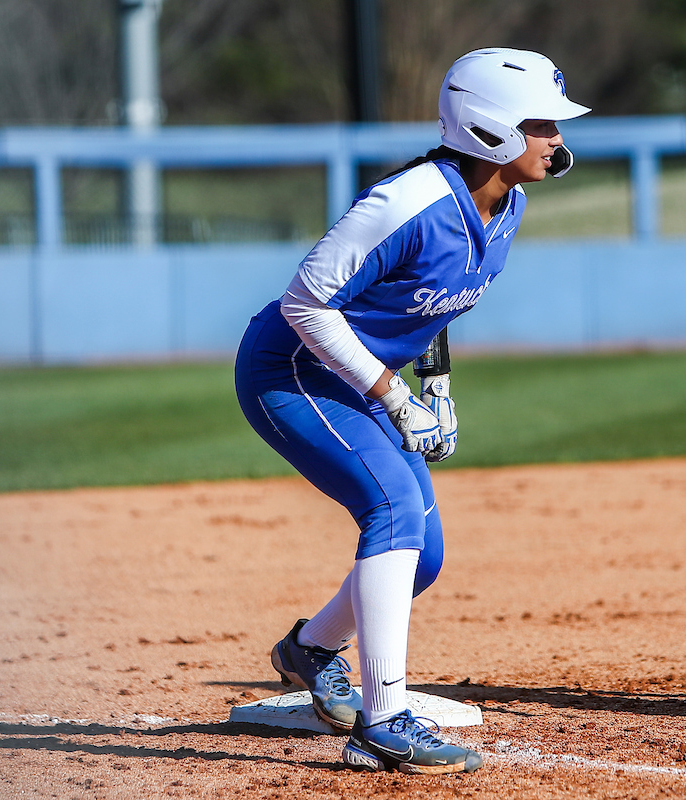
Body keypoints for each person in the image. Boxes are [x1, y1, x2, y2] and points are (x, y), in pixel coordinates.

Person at [233, 47, 590, 775]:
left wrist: (436, 387)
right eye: (540, 123)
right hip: (292, 370)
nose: (555, 138)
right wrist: (392, 396)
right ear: (489, 128)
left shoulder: (506, 205)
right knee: (393, 508)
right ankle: (383, 721)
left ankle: (310, 650)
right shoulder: (406, 203)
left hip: (358, 377)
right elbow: (306, 303)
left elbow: (431, 305)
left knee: (422, 555)